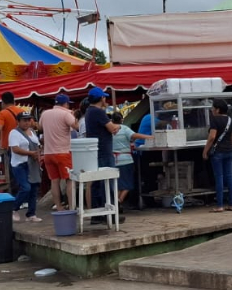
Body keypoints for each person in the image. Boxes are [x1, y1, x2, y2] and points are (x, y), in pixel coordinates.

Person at [83, 88, 122, 221]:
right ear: (101, 99)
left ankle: (97, 214)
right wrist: (118, 126)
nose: (106, 100)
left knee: (97, 183)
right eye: (104, 98)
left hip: (96, 151)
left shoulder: (89, 111)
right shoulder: (98, 112)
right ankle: (108, 213)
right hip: (104, 151)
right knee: (107, 181)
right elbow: (112, 128)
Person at [38, 94, 79, 211]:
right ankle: (72, 207)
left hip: (48, 153)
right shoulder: (66, 114)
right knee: (69, 180)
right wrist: (74, 115)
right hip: (63, 152)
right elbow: (76, 126)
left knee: (54, 181)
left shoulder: (45, 114)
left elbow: (40, 127)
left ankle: (59, 207)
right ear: (65, 104)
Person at [203, 101, 232, 211]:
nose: (212, 110)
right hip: (230, 151)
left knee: (219, 177)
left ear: (218, 109)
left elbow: (212, 137)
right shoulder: (231, 120)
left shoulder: (215, 120)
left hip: (218, 152)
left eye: (213, 108)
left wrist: (205, 151)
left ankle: (220, 205)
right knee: (230, 176)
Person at [111, 111, 149, 209]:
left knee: (118, 184)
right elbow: (135, 136)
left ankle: (115, 203)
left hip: (113, 160)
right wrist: (149, 137)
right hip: (125, 160)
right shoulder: (124, 129)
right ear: (122, 120)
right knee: (128, 184)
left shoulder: (109, 129)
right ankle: (119, 202)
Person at [8, 112, 41, 222]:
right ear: (18, 121)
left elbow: (37, 146)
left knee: (34, 188)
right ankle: (14, 208)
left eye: (28, 120)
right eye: (24, 120)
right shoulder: (14, 133)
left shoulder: (32, 132)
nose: (27, 122)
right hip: (20, 165)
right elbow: (15, 149)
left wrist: (37, 155)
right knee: (26, 187)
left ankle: (31, 214)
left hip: (33, 163)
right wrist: (31, 153)